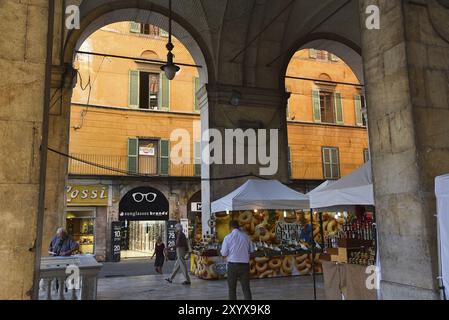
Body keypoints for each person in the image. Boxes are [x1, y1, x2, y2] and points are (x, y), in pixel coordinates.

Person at [221, 220, 254, 300]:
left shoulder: (227, 237)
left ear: (230, 227)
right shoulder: (246, 236)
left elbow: (223, 253)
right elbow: (252, 250)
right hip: (245, 265)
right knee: (246, 288)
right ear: (238, 227)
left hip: (232, 266)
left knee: (232, 289)